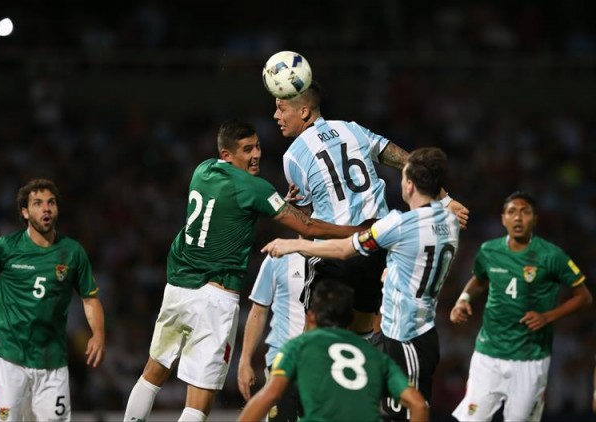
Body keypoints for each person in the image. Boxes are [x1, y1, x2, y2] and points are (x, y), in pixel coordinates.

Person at [123, 119, 370, 422]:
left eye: (257, 146)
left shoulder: (203, 171)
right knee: (199, 398)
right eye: (247, 149)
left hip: (178, 289)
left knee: (153, 373)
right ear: (228, 155)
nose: (256, 154)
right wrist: (358, 231)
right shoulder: (255, 188)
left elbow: (235, 210)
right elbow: (307, 225)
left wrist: (279, 203)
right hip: (216, 297)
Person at [262, 146, 460, 421]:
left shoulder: (398, 225)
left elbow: (344, 250)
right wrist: (393, 272)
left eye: (403, 177)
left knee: (406, 413)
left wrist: (296, 245)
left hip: (405, 335)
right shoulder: (450, 221)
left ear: (410, 184)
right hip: (416, 331)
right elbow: (422, 258)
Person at [273, 80, 469, 336]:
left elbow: (309, 227)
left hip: (335, 254)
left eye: (281, 108)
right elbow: (405, 160)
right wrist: (444, 198)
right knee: (365, 337)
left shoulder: (293, 157)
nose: (276, 116)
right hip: (376, 248)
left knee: (315, 340)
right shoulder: (352, 130)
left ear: (304, 112)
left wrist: (295, 222)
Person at [0, 178, 105, 421]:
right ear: (25, 212)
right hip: (9, 358)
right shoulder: (5, 247)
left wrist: (98, 333)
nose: (46, 208)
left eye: (51, 203)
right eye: (37, 203)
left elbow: (90, 298)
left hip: (52, 361)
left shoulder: (72, 252)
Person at [449, 191, 593, 422]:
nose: (518, 218)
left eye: (525, 212)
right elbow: (479, 279)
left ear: (535, 219)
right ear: (503, 218)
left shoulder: (551, 255)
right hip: (488, 354)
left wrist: (548, 316)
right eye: (512, 212)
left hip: (531, 358)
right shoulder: (489, 250)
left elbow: (584, 297)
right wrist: (463, 299)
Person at [237, 279, 429, 422]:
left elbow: (270, 395)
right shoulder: (375, 355)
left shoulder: (299, 346)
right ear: (350, 318)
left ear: (311, 317)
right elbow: (419, 404)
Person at [237, 251, 306, 422]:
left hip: (321, 362)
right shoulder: (278, 257)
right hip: (282, 359)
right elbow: (258, 311)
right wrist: (245, 361)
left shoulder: (335, 255)